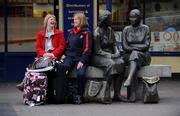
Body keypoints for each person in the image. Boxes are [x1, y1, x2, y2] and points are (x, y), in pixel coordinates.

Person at [16, 14, 66, 90]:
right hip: (43, 57)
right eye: (51, 19)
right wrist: (44, 54)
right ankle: (25, 82)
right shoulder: (40, 34)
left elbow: (62, 46)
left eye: (54, 20)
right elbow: (38, 48)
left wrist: (53, 54)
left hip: (54, 57)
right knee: (34, 66)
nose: (53, 21)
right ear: (46, 22)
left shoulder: (59, 33)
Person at [93, 10, 125, 102]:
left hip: (110, 55)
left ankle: (117, 94)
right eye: (109, 19)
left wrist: (117, 52)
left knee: (121, 63)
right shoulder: (97, 33)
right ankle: (105, 93)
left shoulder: (110, 30)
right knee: (110, 64)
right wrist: (111, 55)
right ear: (104, 20)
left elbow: (114, 44)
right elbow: (98, 51)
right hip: (98, 57)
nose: (111, 20)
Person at [60, 12, 92, 104]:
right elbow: (67, 45)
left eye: (77, 19)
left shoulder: (86, 32)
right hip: (69, 57)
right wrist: (65, 54)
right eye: (74, 19)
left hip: (81, 58)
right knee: (63, 71)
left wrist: (82, 61)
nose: (74, 21)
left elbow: (87, 49)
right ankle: (65, 94)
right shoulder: (71, 32)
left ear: (81, 20)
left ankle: (80, 95)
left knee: (81, 74)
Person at [122, 9, 151, 102]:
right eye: (130, 17)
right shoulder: (126, 29)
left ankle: (131, 90)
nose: (132, 19)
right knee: (133, 59)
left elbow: (146, 46)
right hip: (128, 55)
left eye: (134, 17)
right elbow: (125, 47)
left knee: (134, 57)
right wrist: (138, 47)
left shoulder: (146, 28)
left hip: (144, 56)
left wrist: (133, 48)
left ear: (139, 18)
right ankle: (131, 88)